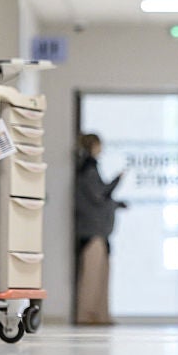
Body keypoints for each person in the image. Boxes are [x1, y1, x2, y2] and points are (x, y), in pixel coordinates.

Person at [74, 133, 127, 325]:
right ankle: (88, 315)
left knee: (100, 275)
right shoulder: (88, 169)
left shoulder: (88, 168)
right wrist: (117, 181)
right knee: (92, 277)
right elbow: (99, 195)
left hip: (98, 232)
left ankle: (99, 315)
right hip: (92, 232)